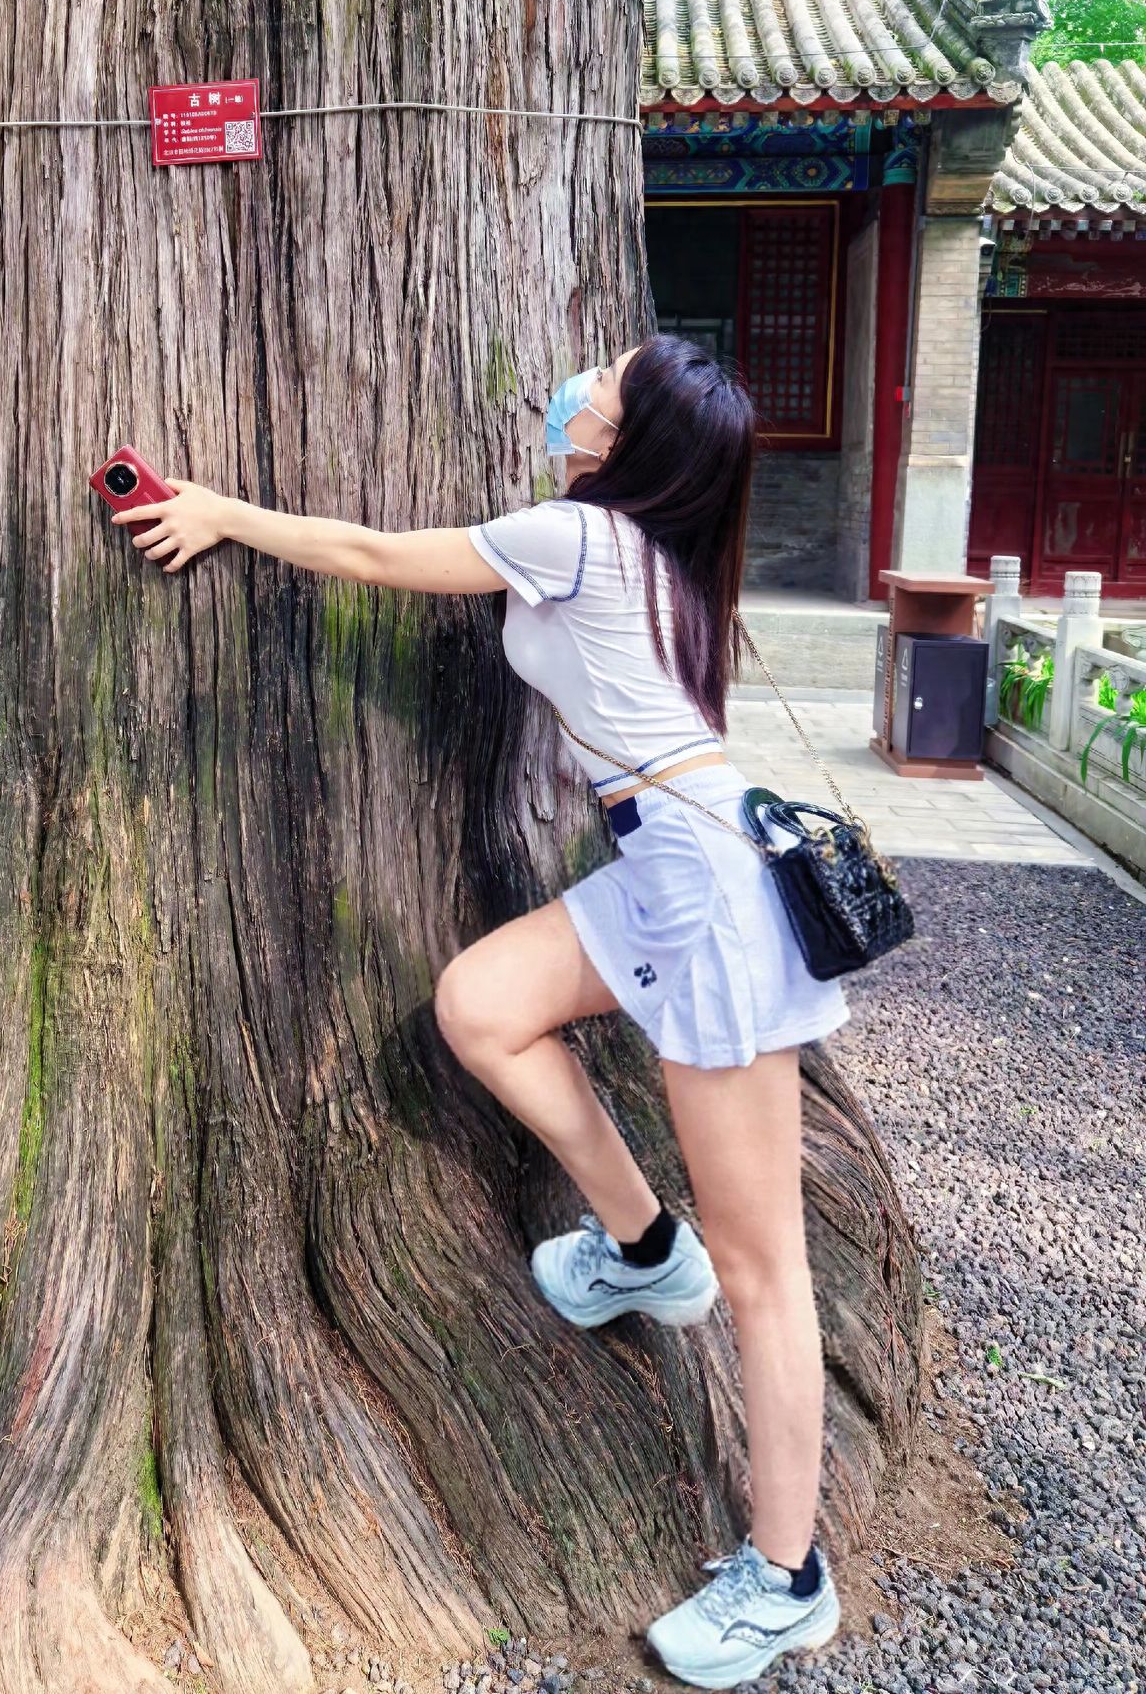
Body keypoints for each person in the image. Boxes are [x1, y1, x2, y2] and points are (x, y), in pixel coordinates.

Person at [111, 333, 848, 1690]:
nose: (579, 391)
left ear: (625, 443)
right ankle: (642, 1240)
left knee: (770, 1275)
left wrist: (218, 511)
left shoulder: (577, 534)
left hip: (709, 895)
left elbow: (384, 558)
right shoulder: (654, 562)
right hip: (661, 863)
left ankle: (787, 1575)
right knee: (481, 1003)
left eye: (604, 387)